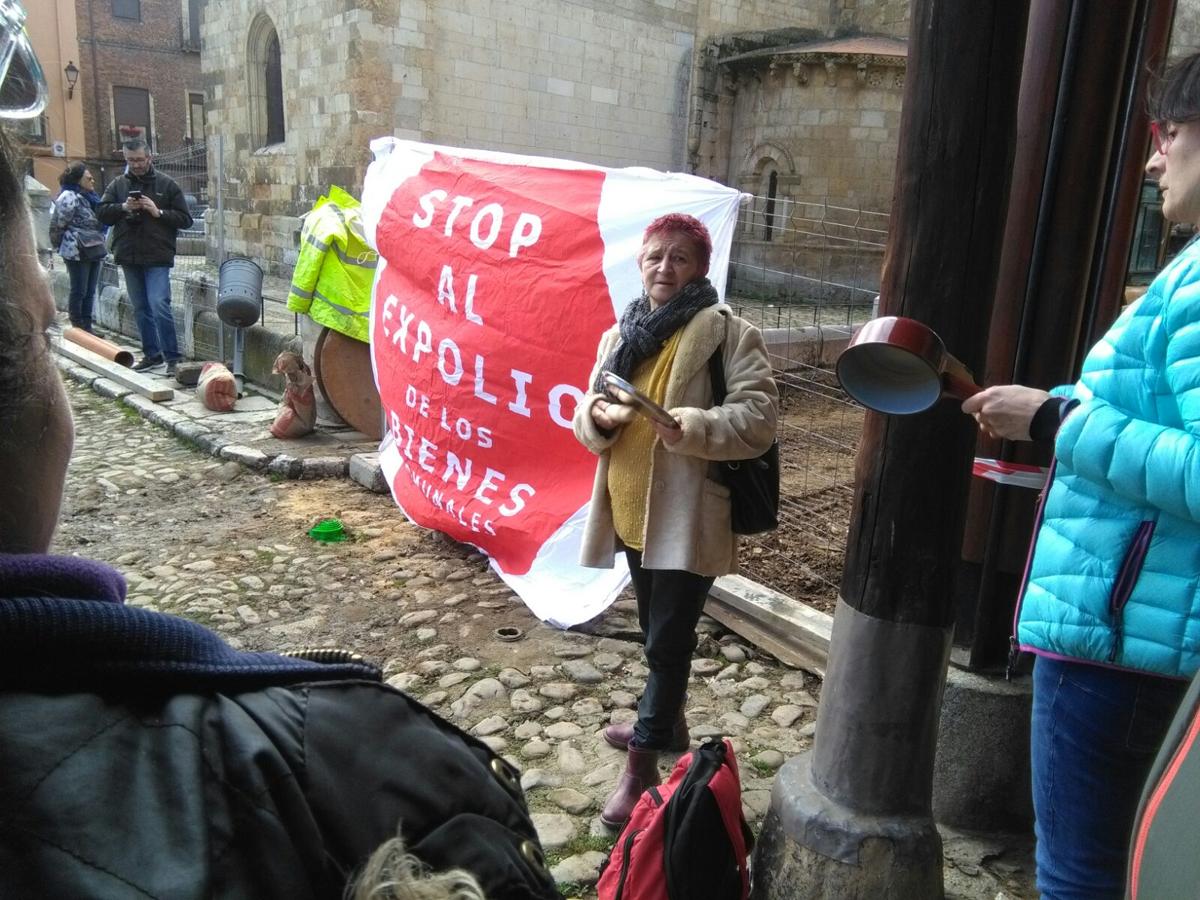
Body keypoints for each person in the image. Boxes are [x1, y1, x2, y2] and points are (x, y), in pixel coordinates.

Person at [0, 125, 557, 900]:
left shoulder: (181, 193)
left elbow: (187, 219)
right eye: (46, 336)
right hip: (340, 342)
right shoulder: (323, 762)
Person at [962, 53, 1200, 900]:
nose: (1151, 160)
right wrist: (1060, 404)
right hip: (1144, 630)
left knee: (1079, 877)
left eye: (1166, 133)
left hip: (1120, 647)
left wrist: (1060, 421)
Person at [572, 213, 778, 828]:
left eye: (679, 259)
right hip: (631, 511)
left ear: (700, 267)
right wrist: (599, 419)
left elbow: (759, 417)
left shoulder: (730, 334)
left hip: (689, 517)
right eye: (655, 257)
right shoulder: (621, 335)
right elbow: (588, 405)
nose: (665, 269)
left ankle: (641, 764)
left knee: (667, 640)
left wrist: (690, 424)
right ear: (641, 264)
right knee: (655, 628)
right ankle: (670, 725)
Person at [98, 137, 192, 376]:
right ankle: (152, 355)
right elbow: (101, 213)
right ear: (125, 159)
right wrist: (123, 207)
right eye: (131, 160)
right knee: (140, 308)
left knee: (159, 304)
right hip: (129, 255)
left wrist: (157, 211)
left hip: (157, 254)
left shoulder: (167, 184)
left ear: (149, 157)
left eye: (140, 159)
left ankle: (172, 357)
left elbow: (185, 219)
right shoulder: (118, 184)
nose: (136, 164)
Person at [48, 161, 105, 333]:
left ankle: (87, 326)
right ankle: (77, 326)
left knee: (90, 290)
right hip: (76, 250)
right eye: (88, 178)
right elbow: (59, 224)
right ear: (78, 179)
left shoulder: (91, 197)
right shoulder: (68, 197)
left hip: (94, 247)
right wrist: (59, 245)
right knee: (79, 289)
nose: (92, 181)